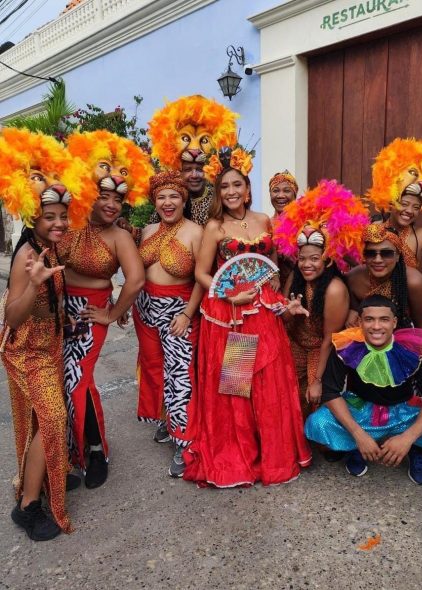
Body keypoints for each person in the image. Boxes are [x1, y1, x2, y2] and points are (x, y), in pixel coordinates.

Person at [183, 147, 312, 488]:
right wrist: (228, 293)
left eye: (236, 184)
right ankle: (243, 454)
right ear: (218, 192)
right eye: (224, 186)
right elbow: (201, 273)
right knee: (239, 388)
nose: (231, 192)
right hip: (234, 314)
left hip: (265, 309)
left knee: (268, 381)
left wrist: (279, 291)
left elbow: (275, 262)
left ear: (248, 189)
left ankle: (272, 453)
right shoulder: (214, 228)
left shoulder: (264, 221)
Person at [0, 128, 96, 540]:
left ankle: (46, 475)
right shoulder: (26, 254)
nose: (57, 223)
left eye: (62, 216)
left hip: (49, 346)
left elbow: (51, 303)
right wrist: (35, 283)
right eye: (49, 217)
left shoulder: (50, 248)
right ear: (32, 216)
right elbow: (13, 313)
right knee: (52, 420)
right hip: (26, 352)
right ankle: (28, 506)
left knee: (45, 421)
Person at [61, 130, 149, 488]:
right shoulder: (67, 224)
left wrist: (112, 313)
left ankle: (95, 449)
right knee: (58, 383)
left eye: (118, 198)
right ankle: (64, 452)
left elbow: (136, 280)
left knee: (77, 381)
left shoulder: (120, 237)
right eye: (104, 195)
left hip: (90, 314)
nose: (112, 204)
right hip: (59, 312)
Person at [305, 295, 422, 485]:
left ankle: (414, 449)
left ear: (394, 322)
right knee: (318, 422)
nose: (376, 326)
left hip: (404, 412)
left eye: (384, 319)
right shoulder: (346, 346)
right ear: (359, 322)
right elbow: (331, 392)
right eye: (369, 319)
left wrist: (407, 438)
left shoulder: (416, 349)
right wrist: (358, 435)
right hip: (361, 411)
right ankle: (358, 446)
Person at [274, 179, 368, 417]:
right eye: (302, 259)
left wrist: (317, 380)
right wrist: (289, 311)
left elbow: (329, 339)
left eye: (314, 259)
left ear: (327, 260)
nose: (307, 264)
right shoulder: (294, 277)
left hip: (319, 349)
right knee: (283, 393)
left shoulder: (335, 289)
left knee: (316, 399)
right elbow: (283, 320)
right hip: (295, 343)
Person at [133, 171, 203, 477]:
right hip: (145, 311)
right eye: (161, 197)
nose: (168, 202)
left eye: (174, 196)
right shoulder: (147, 230)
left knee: (180, 375)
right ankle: (167, 419)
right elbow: (137, 272)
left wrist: (188, 314)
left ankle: (185, 440)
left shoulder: (195, 232)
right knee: (154, 369)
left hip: (178, 313)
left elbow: (201, 279)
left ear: (183, 199)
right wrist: (126, 304)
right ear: (154, 202)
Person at [147, 94, 238, 225]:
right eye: (188, 170)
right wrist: (131, 231)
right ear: (179, 170)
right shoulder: (171, 201)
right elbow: (153, 231)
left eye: (200, 169)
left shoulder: (219, 200)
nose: (194, 175)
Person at [366, 138, 422, 267]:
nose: (409, 211)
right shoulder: (371, 229)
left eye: (416, 207)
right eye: (404, 204)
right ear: (392, 203)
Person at [346, 224, 422, 330]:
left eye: (387, 253)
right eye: (370, 253)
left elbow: (421, 327)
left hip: (406, 333)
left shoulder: (415, 283)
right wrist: (353, 311)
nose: (378, 260)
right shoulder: (354, 278)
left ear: (397, 256)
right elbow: (353, 311)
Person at [268, 170, 299, 291]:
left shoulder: (304, 224)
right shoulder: (265, 224)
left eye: (287, 190)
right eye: (275, 190)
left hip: (298, 287)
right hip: (271, 289)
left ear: (294, 195)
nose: (281, 195)